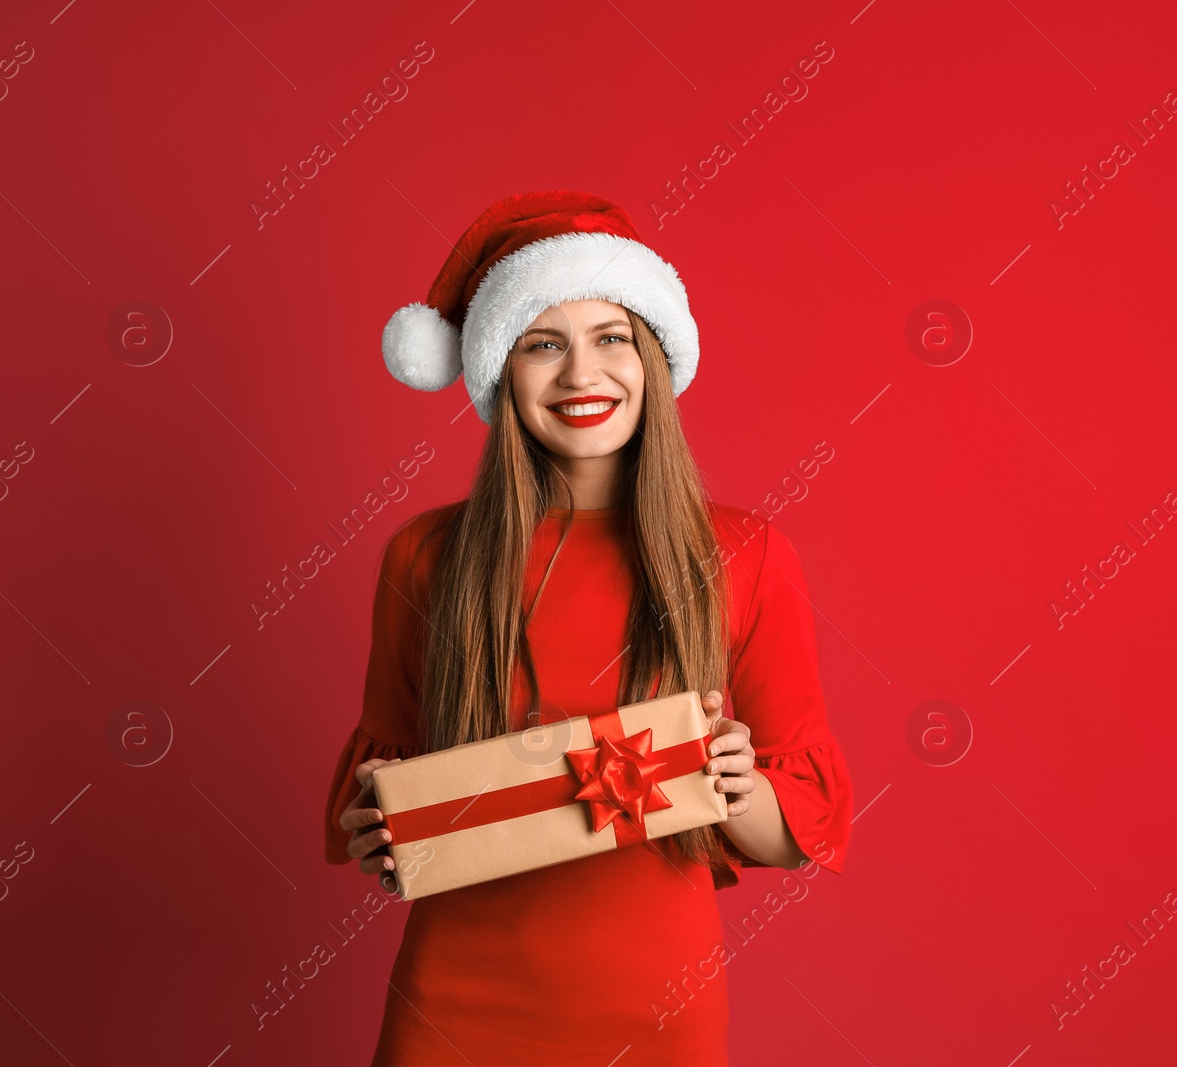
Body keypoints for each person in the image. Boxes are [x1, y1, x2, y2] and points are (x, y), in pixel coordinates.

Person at [323, 190, 854, 1066]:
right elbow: (386, 809)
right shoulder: (424, 556)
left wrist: (735, 782)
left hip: (656, 1003)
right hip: (456, 1002)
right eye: (543, 343)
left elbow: (800, 830)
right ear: (501, 371)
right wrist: (376, 827)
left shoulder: (749, 554)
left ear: (653, 357)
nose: (581, 374)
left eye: (611, 337)